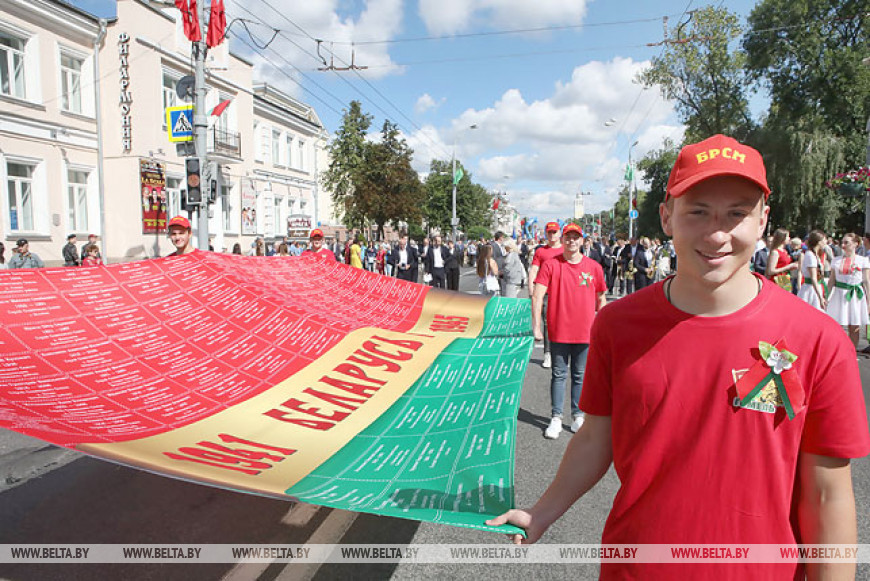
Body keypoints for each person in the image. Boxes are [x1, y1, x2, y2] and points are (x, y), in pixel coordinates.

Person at [487, 134, 870, 581]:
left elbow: (828, 496)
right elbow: (596, 438)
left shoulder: (820, 339)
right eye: (698, 211)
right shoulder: (618, 325)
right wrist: (542, 513)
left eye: (737, 213)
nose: (717, 233)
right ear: (668, 217)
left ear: (763, 219)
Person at [532, 223, 606, 439]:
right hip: (559, 329)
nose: (572, 241)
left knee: (580, 375)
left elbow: (601, 299)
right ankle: (556, 417)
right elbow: (538, 296)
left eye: (576, 237)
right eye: (568, 237)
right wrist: (536, 326)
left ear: (582, 240)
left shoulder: (594, 267)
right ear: (562, 240)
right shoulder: (551, 265)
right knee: (558, 374)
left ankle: (577, 415)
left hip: (585, 331)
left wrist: (602, 326)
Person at [826, 232, 870, 349]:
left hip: (856, 295)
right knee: (837, 325)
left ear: (855, 244)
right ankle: (838, 351)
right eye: (842, 243)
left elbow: (866, 282)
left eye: (847, 242)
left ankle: (852, 352)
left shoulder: (863, 260)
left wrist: (869, 300)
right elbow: (831, 281)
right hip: (840, 294)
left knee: (854, 326)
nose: (843, 245)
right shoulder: (836, 260)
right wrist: (825, 296)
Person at [528, 222, 563, 368]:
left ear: (559, 233)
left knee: (562, 322)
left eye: (554, 232)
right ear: (546, 234)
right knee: (548, 323)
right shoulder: (541, 251)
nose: (552, 235)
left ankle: (561, 353)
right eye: (549, 232)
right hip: (546, 292)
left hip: (563, 292)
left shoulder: (565, 249)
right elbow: (534, 270)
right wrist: (531, 289)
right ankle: (548, 354)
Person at [796, 230, 827, 311]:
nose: (826, 242)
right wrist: (820, 298)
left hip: (816, 288)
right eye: (824, 239)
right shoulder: (810, 255)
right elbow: (813, 278)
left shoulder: (816, 255)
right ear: (819, 242)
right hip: (810, 290)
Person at [490, 231, 507, 295]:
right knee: (499, 285)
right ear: (500, 238)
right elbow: (493, 258)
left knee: (503, 285)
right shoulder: (494, 245)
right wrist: (496, 269)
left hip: (502, 268)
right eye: (503, 237)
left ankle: (503, 298)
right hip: (498, 268)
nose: (503, 239)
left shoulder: (501, 246)